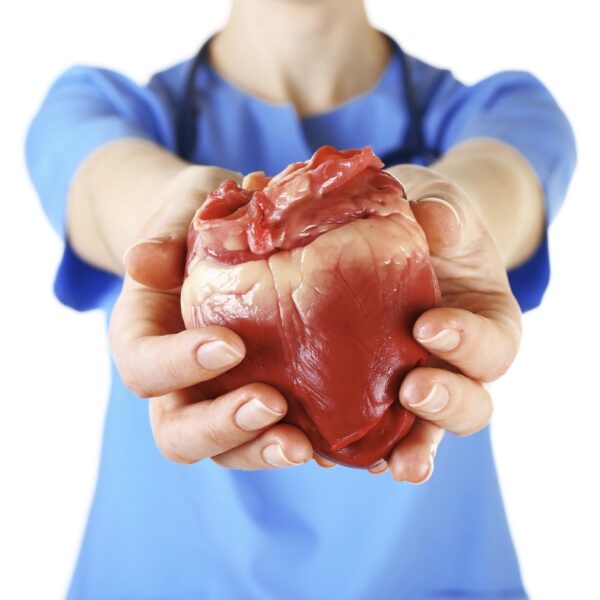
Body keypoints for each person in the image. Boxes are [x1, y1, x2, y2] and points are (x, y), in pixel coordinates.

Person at [25, 0, 576, 598]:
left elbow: (500, 183)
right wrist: (182, 223)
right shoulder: (90, 107)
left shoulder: (508, 110)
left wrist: (444, 217)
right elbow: (111, 190)